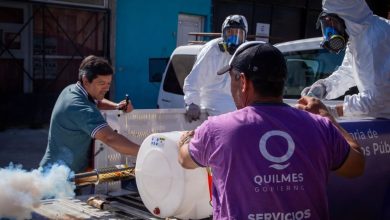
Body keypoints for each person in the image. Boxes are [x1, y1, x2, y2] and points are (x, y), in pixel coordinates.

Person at [178, 42, 364, 219]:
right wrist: (328, 117)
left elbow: (185, 159)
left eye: (231, 79)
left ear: (242, 81)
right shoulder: (320, 126)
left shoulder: (216, 129)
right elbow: (356, 166)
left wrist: (186, 140)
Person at [40, 55, 139, 174]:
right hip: (57, 178)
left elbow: (97, 101)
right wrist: (145, 151)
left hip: (66, 172)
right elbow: (110, 138)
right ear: (86, 80)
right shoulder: (79, 107)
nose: (106, 88)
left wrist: (117, 106)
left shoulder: (72, 90)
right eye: (101, 83)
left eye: (109, 83)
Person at [301, 0, 390, 118]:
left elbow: (378, 100)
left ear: (346, 18)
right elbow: (349, 71)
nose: (330, 31)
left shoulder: (374, 39)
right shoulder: (359, 36)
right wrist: (325, 87)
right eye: (327, 23)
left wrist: (332, 111)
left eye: (332, 22)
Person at [183, 14, 248, 122]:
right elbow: (193, 80)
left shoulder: (245, 53)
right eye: (229, 32)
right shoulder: (212, 51)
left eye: (238, 34)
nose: (234, 38)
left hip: (237, 113)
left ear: (245, 36)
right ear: (223, 34)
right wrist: (192, 102)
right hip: (211, 111)